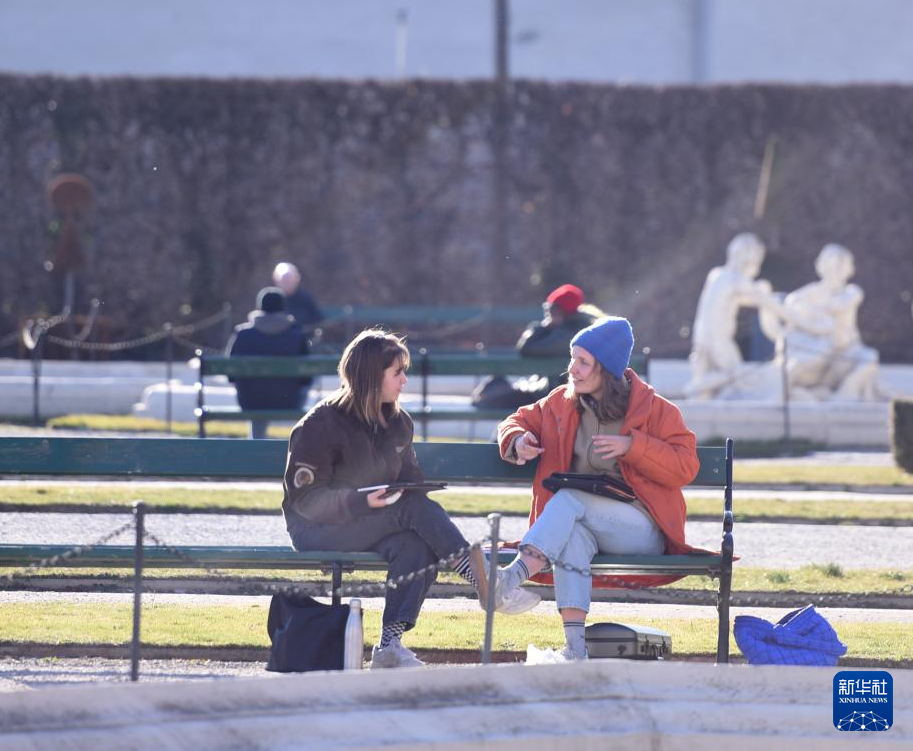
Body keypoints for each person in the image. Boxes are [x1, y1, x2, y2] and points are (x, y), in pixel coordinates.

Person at [282, 329, 538, 669]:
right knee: (413, 510)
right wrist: (361, 502)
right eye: (397, 372)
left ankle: (389, 646)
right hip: (316, 528)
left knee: (416, 543)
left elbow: (408, 478)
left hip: (368, 521)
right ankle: (483, 582)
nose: (405, 380)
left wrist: (412, 488)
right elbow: (305, 500)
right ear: (371, 376)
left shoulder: (398, 421)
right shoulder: (319, 424)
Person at [480, 316, 705, 662]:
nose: (572, 369)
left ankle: (509, 580)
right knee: (572, 536)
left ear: (607, 369)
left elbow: (686, 465)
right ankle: (575, 650)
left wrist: (633, 447)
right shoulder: (560, 402)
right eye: (573, 359)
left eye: (583, 362)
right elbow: (515, 421)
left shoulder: (655, 409)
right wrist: (518, 439)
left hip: (642, 529)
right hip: (586, 523)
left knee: (568, 500)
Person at [775, 243, 883, 401]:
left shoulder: (852, 292)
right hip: (820, 355)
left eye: (841, 266)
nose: (838, 271)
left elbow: (838, 305)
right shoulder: (811, 292)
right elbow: (791, 303)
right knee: (798, 364)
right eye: (833, 266)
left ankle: (844, 396)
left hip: (847, 354)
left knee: (869, 358)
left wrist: (811, 309)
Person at [472, 284, 603, 411]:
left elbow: (527, 348)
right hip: (550, 391)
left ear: (563, 311)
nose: (548, 313)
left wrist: (544, 326)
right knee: (496, 387)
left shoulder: (571, 334)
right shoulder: (570, 328)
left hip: (553, 395)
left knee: (492, 397)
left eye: (551, 309)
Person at [684, 233, 780, 399]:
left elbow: (744, 298)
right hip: (718, 339)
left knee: (717, 387)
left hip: (701, 336)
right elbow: (765, 301)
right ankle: (694, 387)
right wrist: (794, 314)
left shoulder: (717, 275)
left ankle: (701, 391)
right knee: (737, 375)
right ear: (748, 259)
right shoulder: (735, 279)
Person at [226, 287, 311, 439]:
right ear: (283, 307)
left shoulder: (243, 334)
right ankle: (298, 443)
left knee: (257, 392)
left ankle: (256, 442)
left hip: (250, 402)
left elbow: (230, 373)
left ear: (260, 307)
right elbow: (307, 377)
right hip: (289, 401)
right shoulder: (297, 335)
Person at [273, 262, 324, 332]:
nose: (288, 283)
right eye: (285, 280)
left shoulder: (305, 298)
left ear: (297, 279)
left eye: (290, 280)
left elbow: (318, 322)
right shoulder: (271, 300)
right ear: (276, 281)